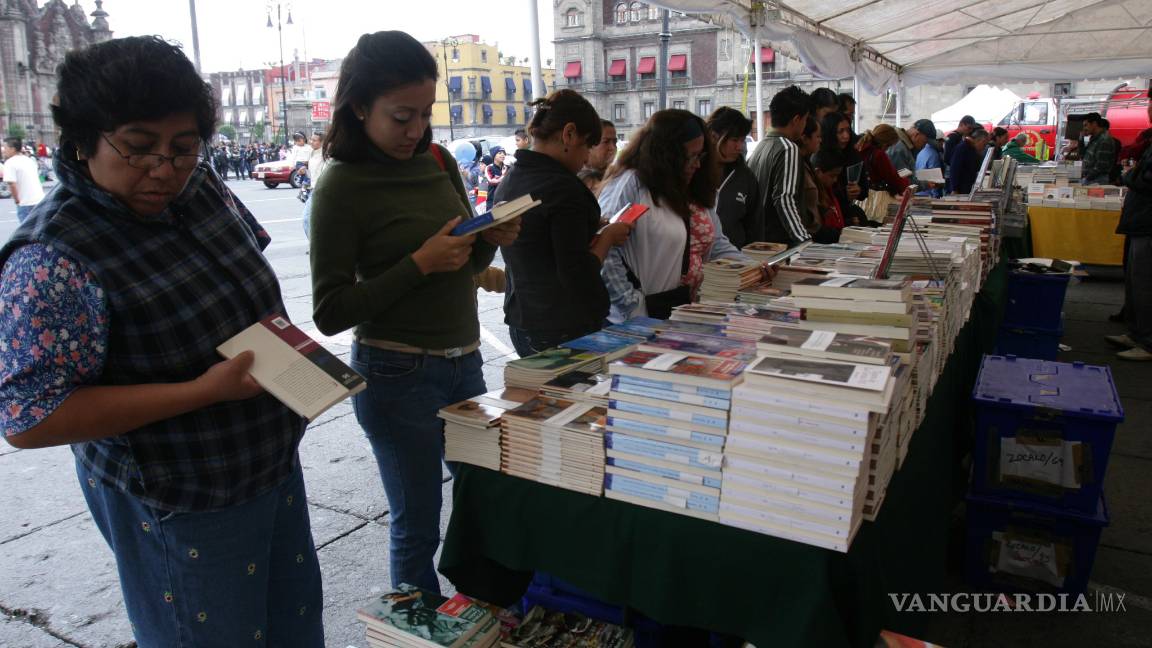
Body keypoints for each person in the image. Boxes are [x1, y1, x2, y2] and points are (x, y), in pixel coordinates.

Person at [0, 36, 323, 646]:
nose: (164, 169)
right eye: (139, 146)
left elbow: (247, 282)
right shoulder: (54, 257)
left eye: (183, 146)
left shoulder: (201, 188)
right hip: (181, 498)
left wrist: (296, 361)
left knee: (295, 629)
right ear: (83, 140)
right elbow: (30, 418)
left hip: (270, 466)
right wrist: (201, 391)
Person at [308, 30, 518, 593]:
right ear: (359, 107)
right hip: (397, 375)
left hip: (465, 364)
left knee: (485, 500)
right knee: (417, 525)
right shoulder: (341, 185)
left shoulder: (439, 159)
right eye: (401, 117)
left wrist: (490, 237)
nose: (416, 130)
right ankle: (416, 625)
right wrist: (417, 264)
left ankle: (480, 617)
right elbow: (329, 311)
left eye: (425, 114)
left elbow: (464, 260)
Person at [497, 89, 632, 357]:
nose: (586, 158)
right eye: (587, 146)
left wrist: (586, 227)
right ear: (569, 134)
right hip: (562, 323)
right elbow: (576, 271)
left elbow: (539, 237)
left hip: (523, 317)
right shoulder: (563, 188)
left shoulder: (513, 177)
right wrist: (607, 237)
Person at [600, 109, 749, 321]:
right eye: (691, 156)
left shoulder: (686, 185)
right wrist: (631, 305)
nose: (697, 164)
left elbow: (715, 242)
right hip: (637, 317)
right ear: (667, 155)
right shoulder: (631, 183)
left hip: (673, 309)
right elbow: (605, 248)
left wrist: (751, 266)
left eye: (701, 156)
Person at [1107, 94, 1152, 361]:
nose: (1149, 110)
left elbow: (1146, 178)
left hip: (1147, 222)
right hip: (1140, 221)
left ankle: (1147, 341)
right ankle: (1136, 333)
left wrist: (1129, 175)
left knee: (1145, 283)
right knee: (1135, 282)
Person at [747, 85, 812, 244]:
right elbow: (784, 198)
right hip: (779, 243)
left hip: (760, 240)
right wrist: (803, 240)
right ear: (796, 120)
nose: (805, 125)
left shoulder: (761, 146)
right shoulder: (788, 148)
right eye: (805, 120)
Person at [706, 106, 762, 248]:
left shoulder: (746, 178)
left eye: (742, 140)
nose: (739, 146)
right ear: (713, 136)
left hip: (735, 258)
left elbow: (755, 227)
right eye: (734, 140)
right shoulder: (693, 173)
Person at [820, 111, 869, 227]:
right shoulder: (821, 157)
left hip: (849, 211)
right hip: (830, 216)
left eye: (848, 130)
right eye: (840, 131)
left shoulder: (854, 155)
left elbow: (864, 189)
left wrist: (858, 190)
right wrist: (843, 193)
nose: (846, 136)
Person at [857, 124, 909, 196]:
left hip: (861, 195)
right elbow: (892, 178)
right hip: (876, 197)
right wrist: (906, 182)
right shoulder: (879, 154)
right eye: (889, 146)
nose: (887, 149)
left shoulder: (861, 147)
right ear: (885, 144)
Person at [2, 137, 46, 222]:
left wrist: (17, 201)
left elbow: (12, 184)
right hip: (40, 200)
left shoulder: (10, 163)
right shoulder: (29, 160)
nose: (3, 150)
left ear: (12, 149)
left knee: (27, 229)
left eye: (5, 147)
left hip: (25, 203)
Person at [810, 149, 846, 242]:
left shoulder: (828, 190)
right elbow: (816, 230)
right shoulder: (812, 193)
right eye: (832, 176)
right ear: (818, 172)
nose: (835, 180)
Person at [948, 127, 990, 195]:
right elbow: (954, 169)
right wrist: (954, 189)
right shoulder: (962, 148)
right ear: (981, 140)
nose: (984, 148)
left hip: (969, 187)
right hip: (960, 189)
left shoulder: (973, 149)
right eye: (984, 145)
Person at [301, 132, 327, 238]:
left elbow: (324, 174)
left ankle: (314, 243)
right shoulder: (312, 153)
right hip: (312, 189)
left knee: (306, 219)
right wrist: (305, 170)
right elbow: (313, 174)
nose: (311, 142)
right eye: (311, 139)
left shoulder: (325, 155)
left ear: (322, 142)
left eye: (314, 140)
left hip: (319, 191)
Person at [911, 119, 943, 198]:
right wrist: (935, 197)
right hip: (927, 194)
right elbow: (935, 179)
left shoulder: (921, 152)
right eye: (941, 141)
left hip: (917, 192)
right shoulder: (933, 154)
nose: (942, 144)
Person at [1082, 116, 1119, 185]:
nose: (1084, 128)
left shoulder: (1104, 140)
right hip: (1092, 178)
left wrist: (1087, 178)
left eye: (1086, 125)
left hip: (1097, 180)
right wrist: (1081, 137)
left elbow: (1101, 165)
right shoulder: (1094, 138)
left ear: (1094, 124)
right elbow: (1083, 155)